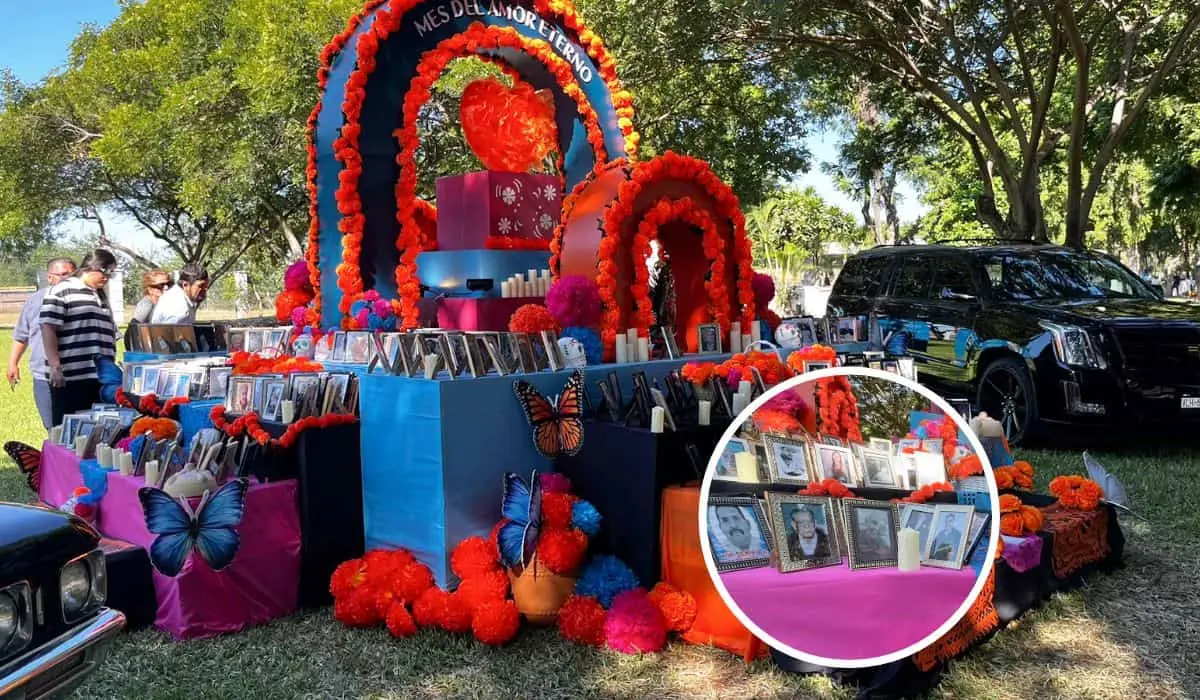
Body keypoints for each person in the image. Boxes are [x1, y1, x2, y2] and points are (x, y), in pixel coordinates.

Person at [39, 250, 119, 427]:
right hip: (71, 378)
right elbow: (48, 327)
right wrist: (55, 366)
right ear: (90, 267)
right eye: (105, 272)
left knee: (97, 433)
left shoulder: (100, 296)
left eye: (111, 274)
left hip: (99, 379)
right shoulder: (62, 289)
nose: (107, 278)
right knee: (70, 434)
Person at [7, 257, 77, 430]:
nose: (65, 279)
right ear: (50, 277)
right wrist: (12, 364)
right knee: (53, 428)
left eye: (69, 274)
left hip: (78, 373)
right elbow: (21, 335)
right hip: (43, 374)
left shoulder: (85, 299)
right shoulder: (35, 301)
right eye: (61, 275)